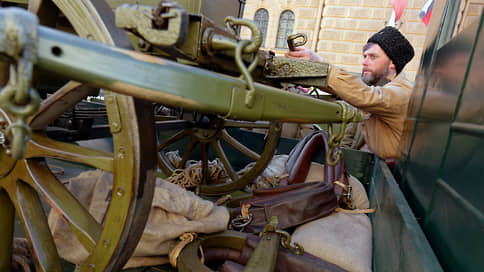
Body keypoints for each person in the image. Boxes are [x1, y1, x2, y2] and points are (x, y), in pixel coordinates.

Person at [285, 26, 415, 160]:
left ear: (392, 64)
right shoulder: (376, 90)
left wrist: (319, 64)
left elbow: (364, 95)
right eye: (364, 56)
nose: (364, 62)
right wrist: (313, 70)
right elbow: (350, 91)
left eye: (373, 57)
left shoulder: (402, 92)